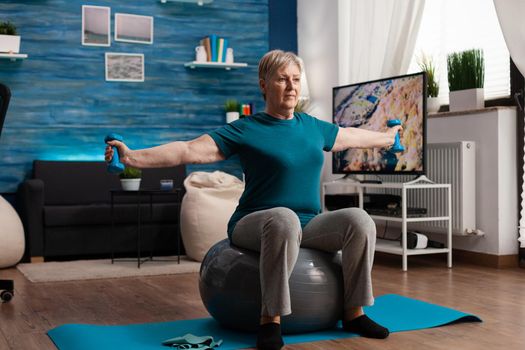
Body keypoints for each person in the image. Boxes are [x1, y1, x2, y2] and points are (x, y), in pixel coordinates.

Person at [105, 50, 400, 350]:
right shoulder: (247, 129)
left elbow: (351, 136)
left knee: (359, 220)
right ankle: (270, 321)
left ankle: (354, 312)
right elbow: (188, 149)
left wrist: (389, 138)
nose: (291, 86)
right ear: (263, 84)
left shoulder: (312, 127)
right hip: (254, 223)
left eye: (296, 80)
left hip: (308, 224)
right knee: (283, 218)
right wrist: (131, 156)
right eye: (282, 79)